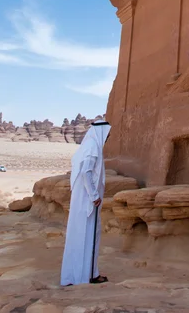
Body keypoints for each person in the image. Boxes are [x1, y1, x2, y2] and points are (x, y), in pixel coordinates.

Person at [61, 118, 111, 286]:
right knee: (88, 236)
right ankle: (87, 276)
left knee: (83, 236)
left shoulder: (88, 145)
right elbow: (86, 172)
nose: (108, 137)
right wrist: (94, 195)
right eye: (107, 133)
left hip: (82, 200)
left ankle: (81, 275)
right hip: (87, 202)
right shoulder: (92, 146)